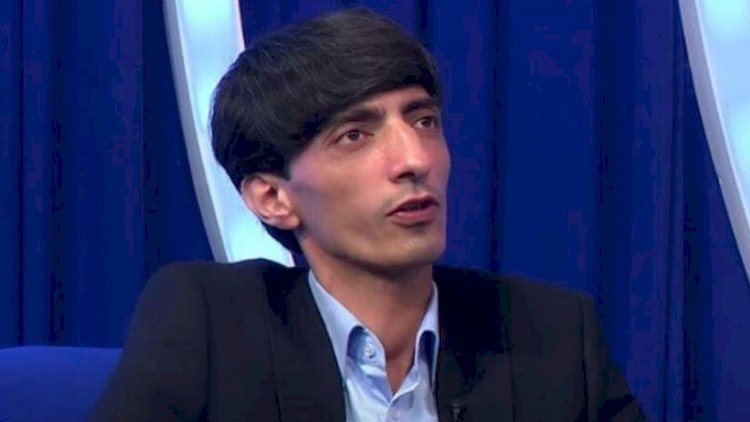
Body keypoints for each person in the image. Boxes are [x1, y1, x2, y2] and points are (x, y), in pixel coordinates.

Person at [90, 7, 644, 422]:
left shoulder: (552, 336)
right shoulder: (211, 326)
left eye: (423, 121)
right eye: (354, 135)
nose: (414, 160)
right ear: (272, 198)